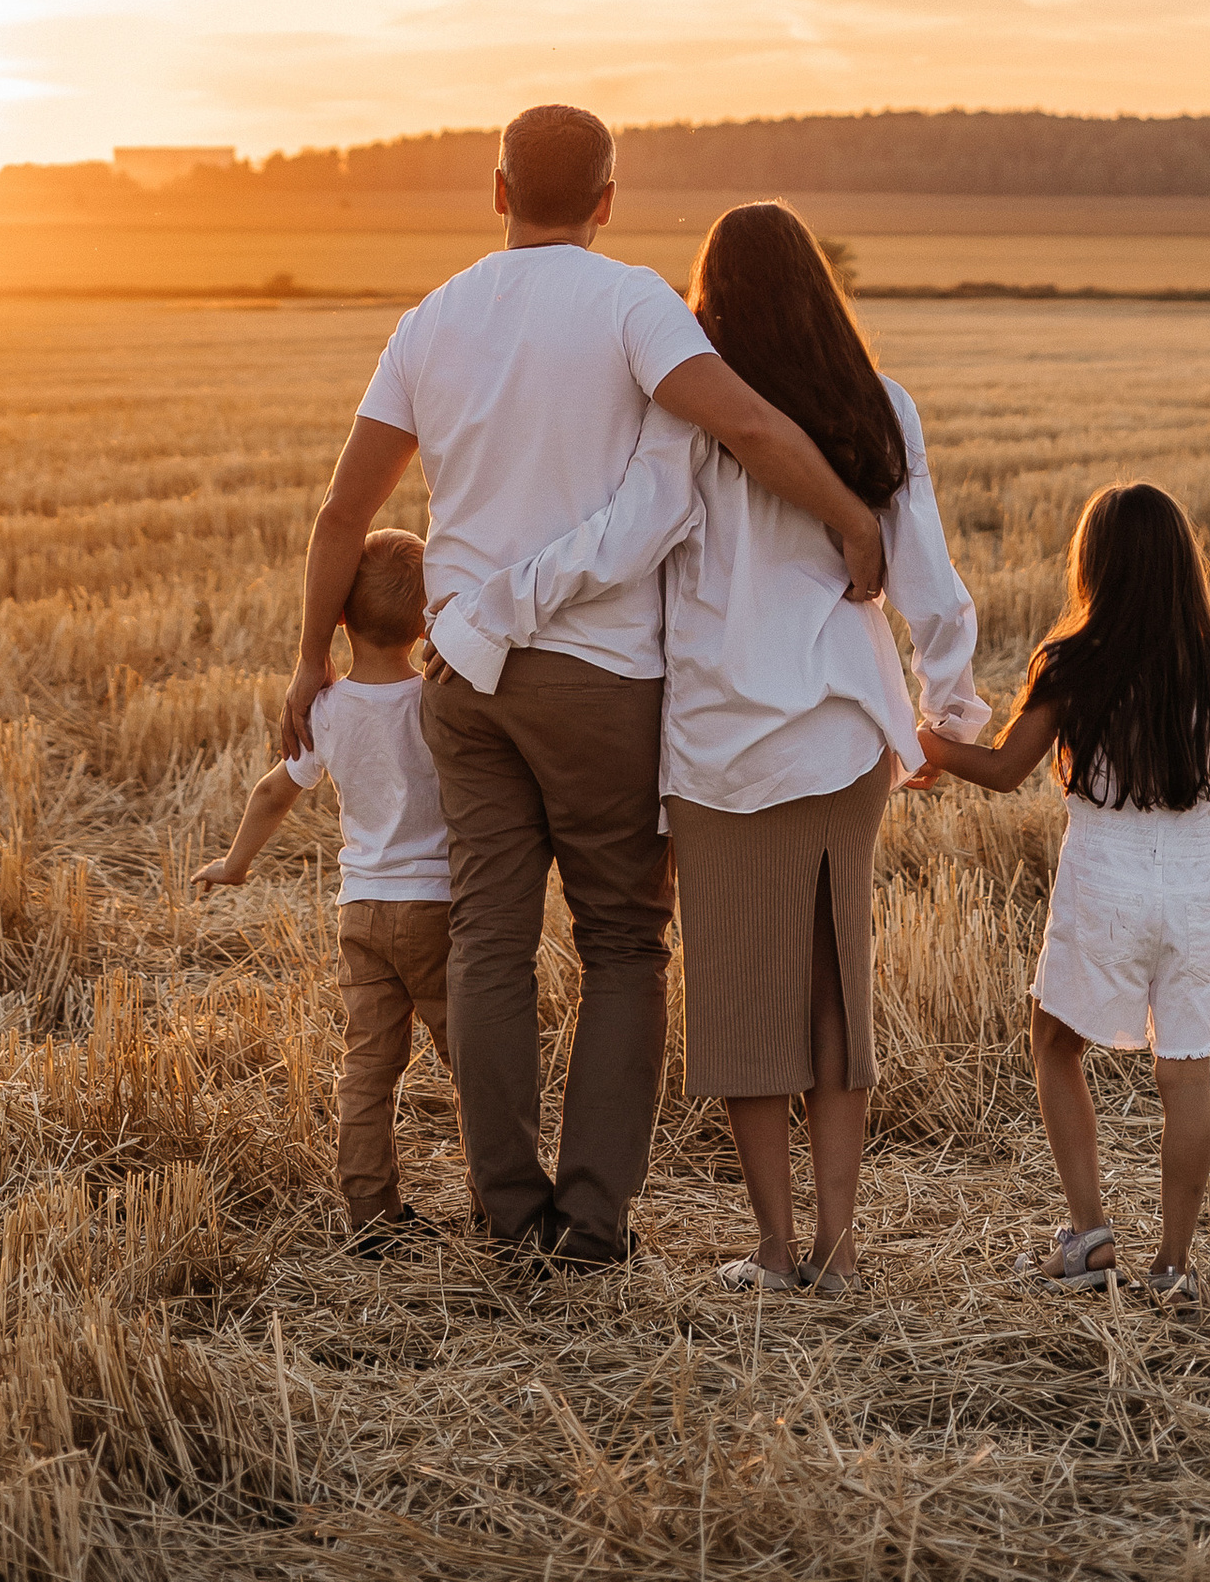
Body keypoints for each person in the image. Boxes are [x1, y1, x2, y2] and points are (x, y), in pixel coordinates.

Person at [281, 106, 893, 1271]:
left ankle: (508, 1217)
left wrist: (307, 653)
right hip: (603, 677)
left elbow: (342, 514)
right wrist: (853, 518)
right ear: (608, 198)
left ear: (495, 185)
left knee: (490, 944)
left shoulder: (432, 320)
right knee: (621, 944)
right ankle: (593, 1222)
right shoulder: (633, 306)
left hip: (465, 675)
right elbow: (752, 427)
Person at [431, 202, 986, 1295]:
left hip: (722, 744)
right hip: (840, 737)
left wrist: (498, 604)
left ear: (712, 295)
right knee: (836, 997)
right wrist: (950, 711)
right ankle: (837, 1250)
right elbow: (927, 577)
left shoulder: (688, 415)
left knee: (741, 1007)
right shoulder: (878, 408)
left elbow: (630, 534)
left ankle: (776, 1253)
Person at [918, 481, 1210, 1304]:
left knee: (1053, 1045)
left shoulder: (1072, 662)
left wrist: (928, 742)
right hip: (1192, 886)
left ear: (1095, 567)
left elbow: (1005, 771)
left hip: (1103, 877)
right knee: (1187, 1075)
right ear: (1185, 565)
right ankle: (1175, 1269)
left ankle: (1089, 1234)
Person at [200, 526, 463, 1243]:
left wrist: (235, 864)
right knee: (473, 1063)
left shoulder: (324, 710)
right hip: (436, 908)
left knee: (367, 1071)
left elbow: (270, 795)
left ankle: (370, 1215)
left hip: (362, 911)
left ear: (339, 616)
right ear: (427, 617)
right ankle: (496, 1200)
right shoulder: (437, 701)